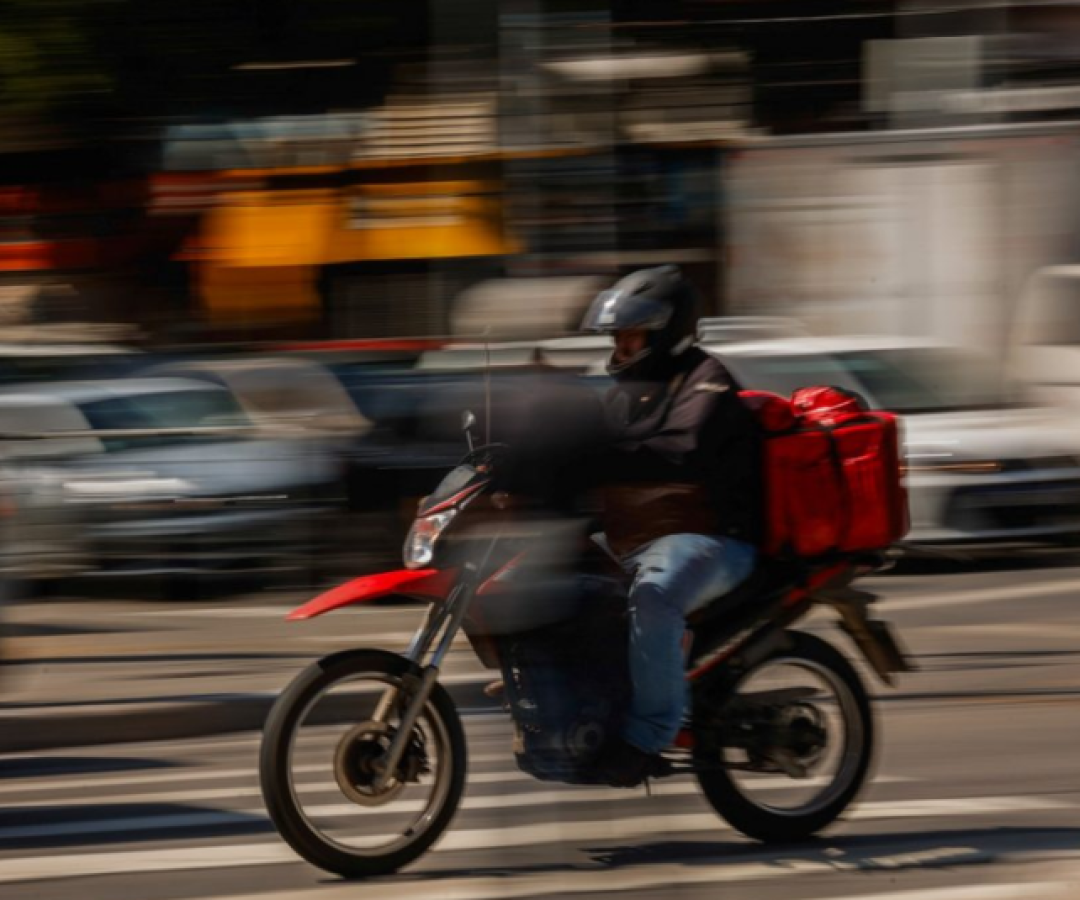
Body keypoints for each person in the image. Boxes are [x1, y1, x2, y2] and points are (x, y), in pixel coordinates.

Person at [580, 265, 763, 787]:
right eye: (617, 337)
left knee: (653, 596)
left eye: (631, 335)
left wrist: (595, 457)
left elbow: (680, 449)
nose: (620, 346)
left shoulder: (705, 379)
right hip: (643, 536)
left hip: (713, 539)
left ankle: (648, 736)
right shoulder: (624, 394)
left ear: (666, 332)